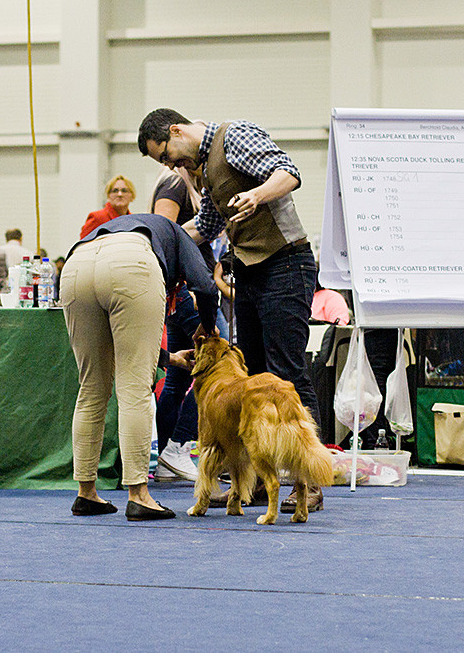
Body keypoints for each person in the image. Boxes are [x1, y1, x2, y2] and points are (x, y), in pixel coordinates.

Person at [138, 107, 324, 513]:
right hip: (250, 274)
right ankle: (259, 481)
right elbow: (204, 225)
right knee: (255, 378)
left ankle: (306, 484)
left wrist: (258, 194)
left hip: (286, 265)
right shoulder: (203, 169)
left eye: (168, 156)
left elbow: (288, 172)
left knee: (287, 373)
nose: (173, 166)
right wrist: (152, 238)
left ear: (176, 131)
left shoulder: (234, 135)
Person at [61, 213, 218, 521]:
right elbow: (206, 286)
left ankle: (86, 493)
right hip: (131, 263)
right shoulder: (179, 234)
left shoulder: (138, 226)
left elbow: (122, 347)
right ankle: (139, 495)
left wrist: (170, 358)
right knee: (135, 388)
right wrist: (206, 327)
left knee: (91, 388)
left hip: (75, 264)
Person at [149, 167, 214, 481]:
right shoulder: (176, 184)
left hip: (181, 288)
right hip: (185, 288)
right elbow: (164, 232)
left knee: (176, 377)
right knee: (218, 362)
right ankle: (179, 447)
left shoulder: (185, 186)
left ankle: (166, 458)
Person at [79, 175, 136, 239]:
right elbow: (83, 245)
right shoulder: (97, 217)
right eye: (115, 191)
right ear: (108, 196)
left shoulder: (134, 220)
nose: (120, 194)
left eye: (124, 190)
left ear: (132, 196)